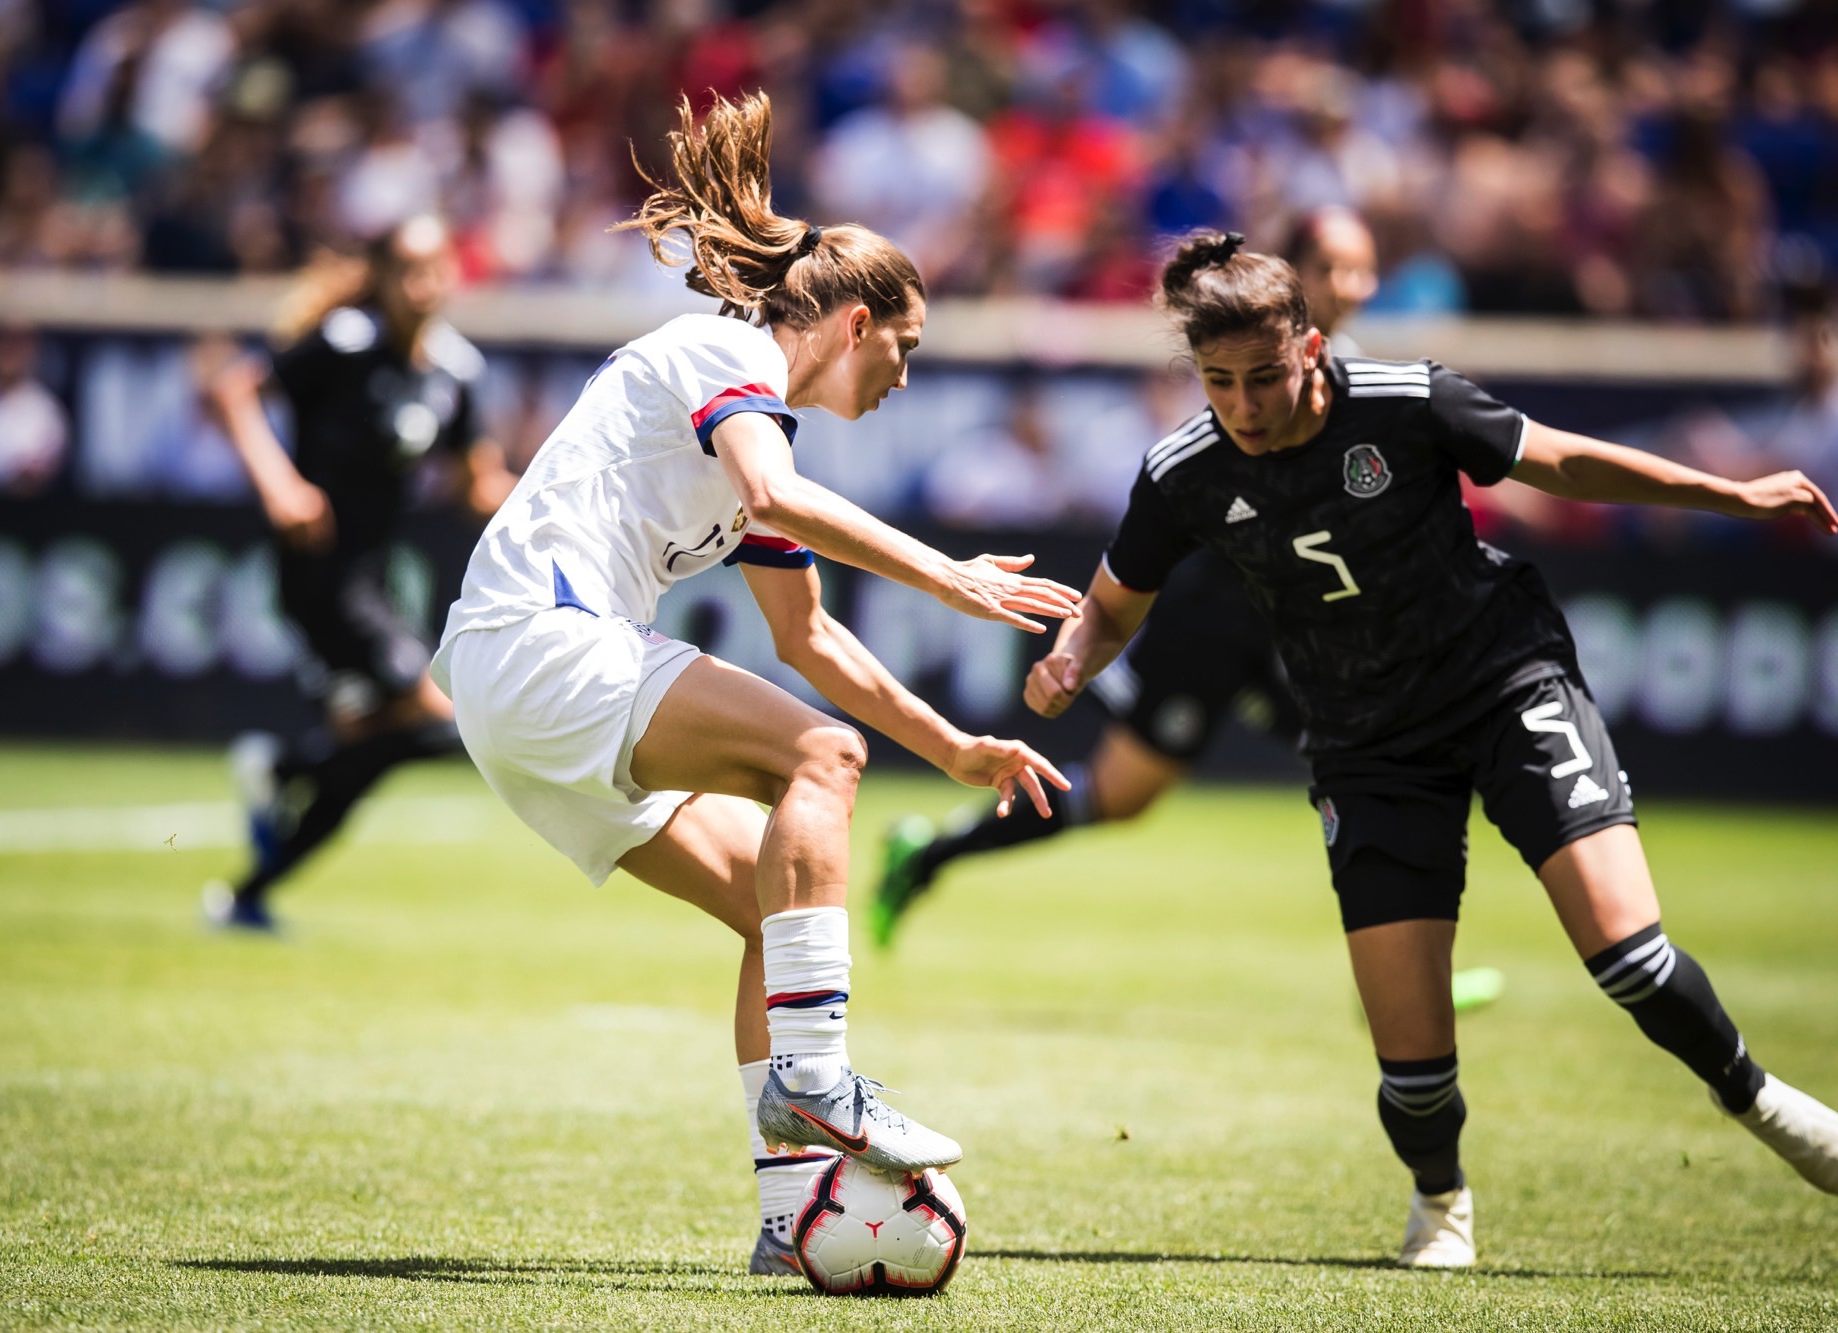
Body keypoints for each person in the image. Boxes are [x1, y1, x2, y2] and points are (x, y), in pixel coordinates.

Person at [1024, 230, 1838, 1268]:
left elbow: (1563, 460)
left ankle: (1761, 1103)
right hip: (1363, 740)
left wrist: (1729, 495)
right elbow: (1108, 603)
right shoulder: (1182, 471)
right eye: (1219, 383)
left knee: (1626, 957)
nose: (1244, 404)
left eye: (1264, 376)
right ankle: (1438, 1198)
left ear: (1309, 349)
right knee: (1410, 1065)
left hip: (1500, 681)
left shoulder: (1405, 401)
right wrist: (1069, 659)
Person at [432, 91, 1080, 1277]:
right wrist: (945, 574)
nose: (905, 373)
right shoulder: (721, 353)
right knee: (822, 757)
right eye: (906, 345)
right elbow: (779, 507)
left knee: (773, 913)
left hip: (512, 694)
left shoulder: (758, 430)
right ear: (850, 321)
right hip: (542, 641)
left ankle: (790, 1221)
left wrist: (957, 749)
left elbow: (810, 641)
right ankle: (821, 1084)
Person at [872, 207, 1378, 952]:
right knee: (1127, 793)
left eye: (1363, 267)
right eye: (1334, 267)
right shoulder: (1253, 374)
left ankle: (1403, 975)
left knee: (1358, 769)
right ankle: (931, 852)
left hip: (1279, 619)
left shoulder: (1350, 370)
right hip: (1214, 617)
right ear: (1295, 275)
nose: (1353, 284)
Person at [201, 214, 514, 930]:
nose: (422, 283)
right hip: (316, 574)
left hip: (371, 581)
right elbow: (234, 391)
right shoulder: (346, 341)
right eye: (407, 268)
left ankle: (251, 887)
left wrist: (567, 505)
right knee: (443, 719)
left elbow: (476, 485)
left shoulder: (455, 370)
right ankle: (285, 773)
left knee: (375, 748)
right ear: (380, 275)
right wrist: (280, 486)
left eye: (434, 267)